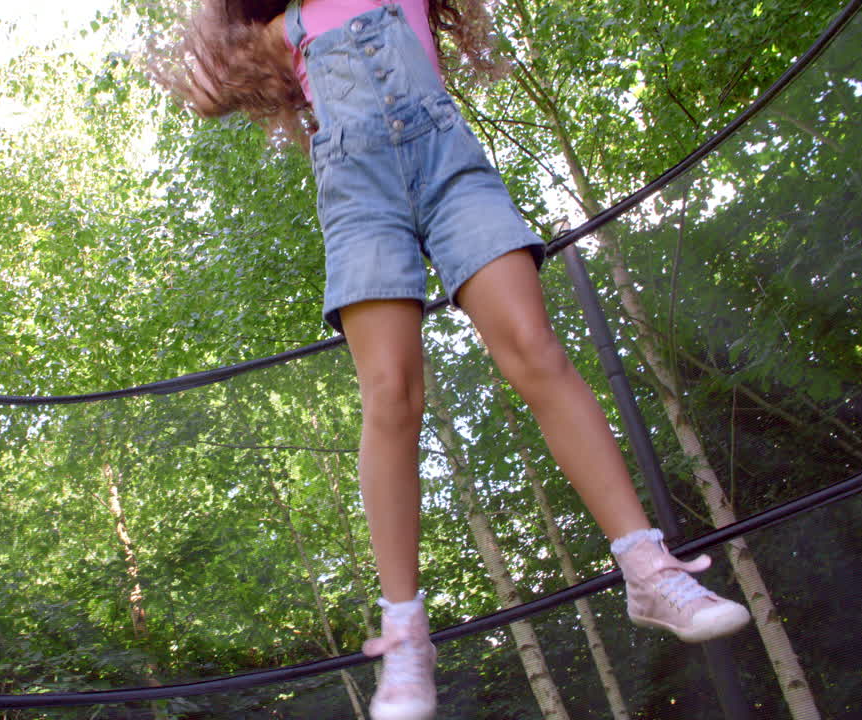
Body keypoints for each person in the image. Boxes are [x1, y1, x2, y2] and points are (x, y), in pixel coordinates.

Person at [157, 2, 754, 718]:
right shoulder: (282, 31)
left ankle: (647, 569)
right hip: (359, 199)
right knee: (390, 395)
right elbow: (212, 87)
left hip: (451, 172)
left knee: (533, 348)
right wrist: (199, 72)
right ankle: (406, 637)